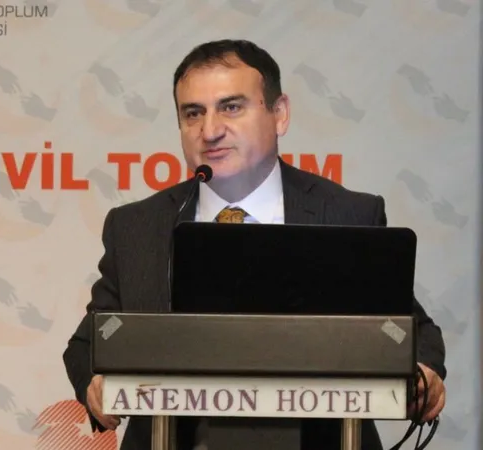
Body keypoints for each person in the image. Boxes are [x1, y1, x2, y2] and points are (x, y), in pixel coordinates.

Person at [62, 39, 447, 450]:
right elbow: (91, 341)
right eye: (193, 113)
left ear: (279, 114)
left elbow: (409, 329)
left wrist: (423, 372)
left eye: (231, 107)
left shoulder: (347, 213)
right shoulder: (137, 226)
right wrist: (95, 382)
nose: (210, 131)